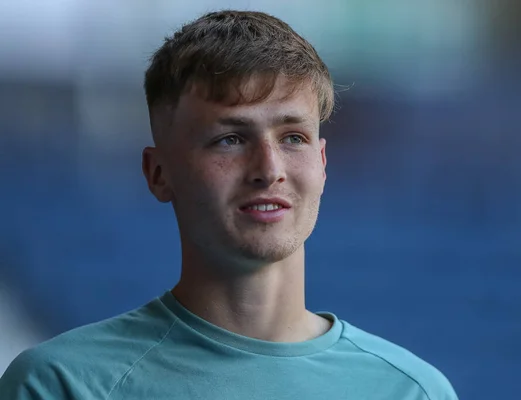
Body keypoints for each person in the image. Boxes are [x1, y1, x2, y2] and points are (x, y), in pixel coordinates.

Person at [0, 10, 458, 400]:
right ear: (158, 173)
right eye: (230, 139)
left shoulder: (412, 390)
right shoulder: (63, 384)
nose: (268, 168)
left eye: (293, 137)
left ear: (321, 164)